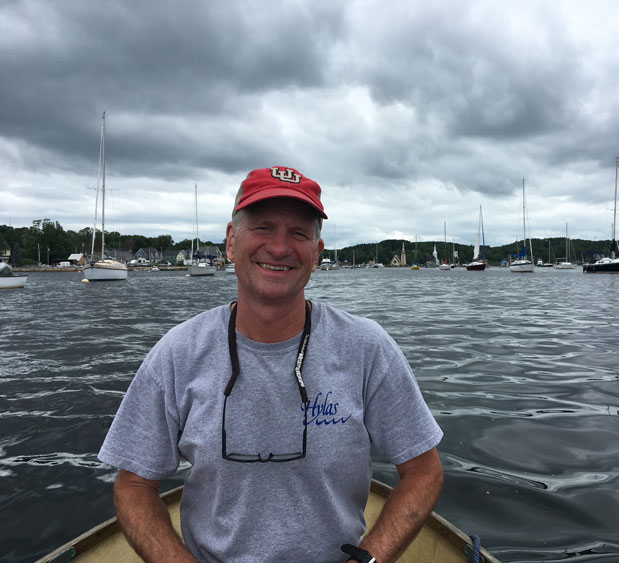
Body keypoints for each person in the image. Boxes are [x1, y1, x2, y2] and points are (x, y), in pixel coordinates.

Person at [98, 166, 444, 562]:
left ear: (317, 254)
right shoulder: (178, 353)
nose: (279, 248)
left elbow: (423, 471)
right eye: (263, 227)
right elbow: (134, 486)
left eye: (299, 233)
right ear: (231, 241)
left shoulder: (366, 348)